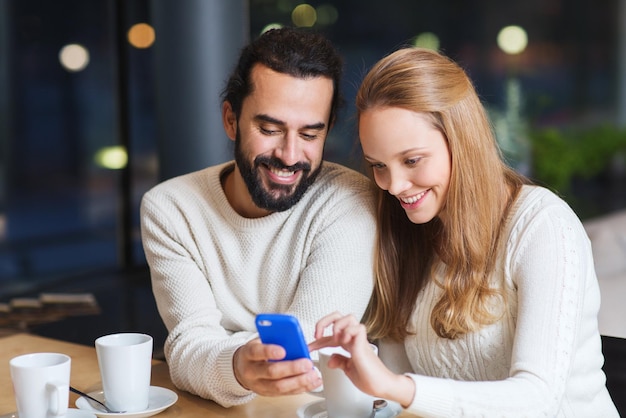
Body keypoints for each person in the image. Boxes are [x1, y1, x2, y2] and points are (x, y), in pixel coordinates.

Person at [309, 47, 619, 417]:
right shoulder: (408, 234)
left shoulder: (543, 227)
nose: (393, 185)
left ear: (461, 140)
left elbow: (539, 399)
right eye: (378, 165)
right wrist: (356, 370)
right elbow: (398, 396)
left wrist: (395, 386)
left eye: (411, 160)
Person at [140, 27, 376, 407]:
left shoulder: (348, 200)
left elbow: (309, 355)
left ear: (328, 130)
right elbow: (185, 348)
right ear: (231, 120)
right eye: (269, 129)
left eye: (310, 134)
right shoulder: (171, 208)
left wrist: (214, 356)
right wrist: (235, 365)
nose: (289, 154)